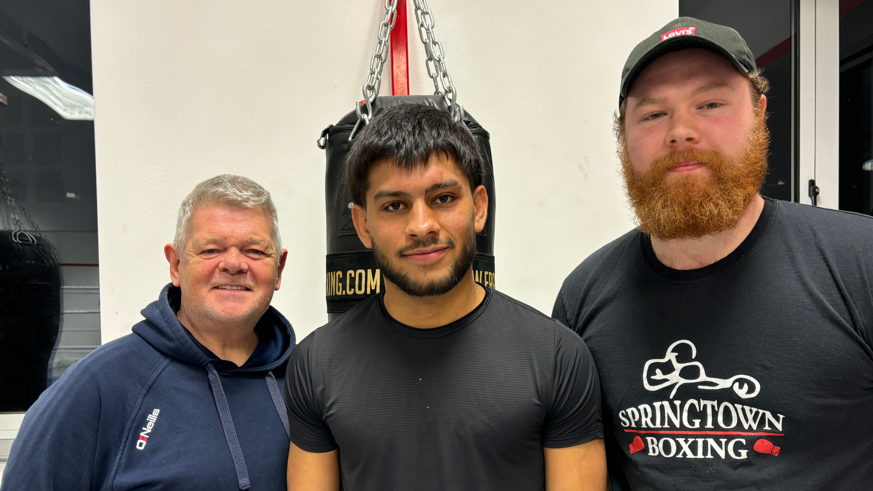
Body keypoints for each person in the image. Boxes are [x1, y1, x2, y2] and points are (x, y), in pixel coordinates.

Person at [553, 16, 873, 490]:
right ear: (623, 137)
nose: (681, 131)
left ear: (760, 113)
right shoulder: (583, 298)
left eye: (710, 103)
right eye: (654, 114)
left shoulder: (860, 263)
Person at [285, 104, 607, 490]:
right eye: (394, 206)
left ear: (479, 208)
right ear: (362, 225)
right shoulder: (316, 364)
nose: (421, 226)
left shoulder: (557, 357)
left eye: (442, 199)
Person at [2, 175, 295, 490]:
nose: (234, 264)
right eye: (211, 250)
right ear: (176, 264)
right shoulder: (98, 386)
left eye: (255, 251)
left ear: (278, 268)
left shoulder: (308, 378)